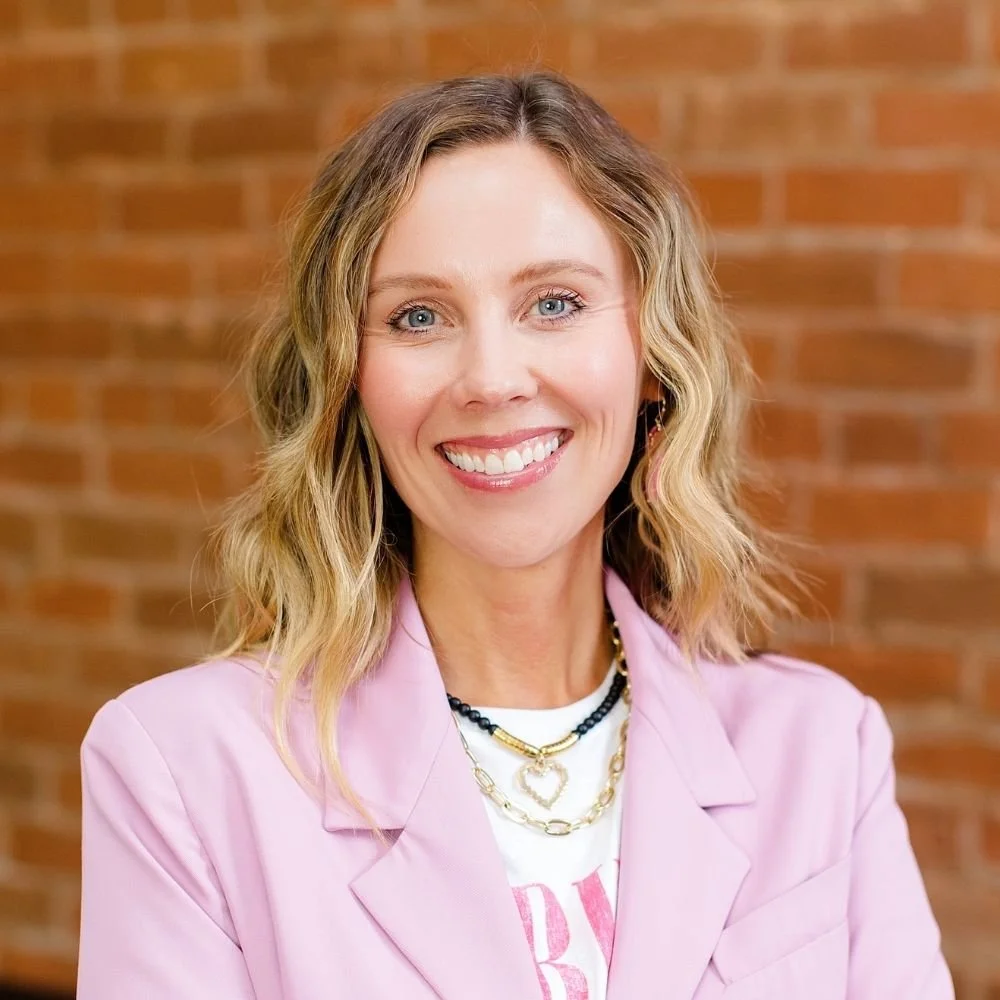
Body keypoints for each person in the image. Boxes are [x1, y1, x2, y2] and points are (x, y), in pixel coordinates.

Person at [76, 71, 955, 1000]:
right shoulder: (182, 771)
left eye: (555, 303)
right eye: (418, 316)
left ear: (653, 356)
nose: (492, 378)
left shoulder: (824, 748)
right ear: (347, 383)